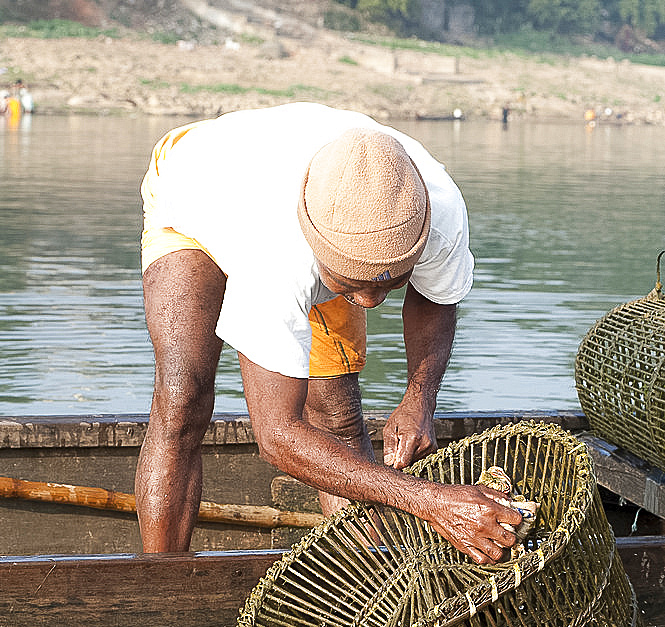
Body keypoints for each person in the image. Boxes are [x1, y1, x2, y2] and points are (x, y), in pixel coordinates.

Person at [136, 102, 522, 564]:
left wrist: (420, 399)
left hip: (317, 211)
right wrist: (430, 500)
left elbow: (436, 296)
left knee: (338, 416)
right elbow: (277, 435)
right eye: (350, 286)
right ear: (318, 248)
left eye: (388, 282)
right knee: (184, 399)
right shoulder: (274, 253)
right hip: (194, 188)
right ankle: (158, 581)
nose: (368, 304)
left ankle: (371, 585)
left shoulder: (433, 209)